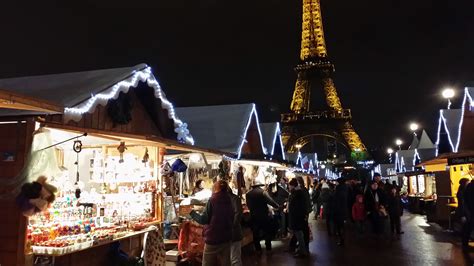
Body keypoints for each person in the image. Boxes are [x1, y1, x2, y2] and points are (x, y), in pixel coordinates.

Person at [190, 180, 234, 266]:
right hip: (226, 236)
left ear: (216, 188)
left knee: (207, 263)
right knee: (226, 263)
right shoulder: (229, 199)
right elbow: (232, 216)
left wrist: (192, 213)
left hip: (213, 237)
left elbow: (204, 220)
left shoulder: (213, 200)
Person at [246, 179, 279, 252]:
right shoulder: (263, 192)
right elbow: (271, 201)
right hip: (263, 215)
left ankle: (258, 249)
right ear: (260, 186)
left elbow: (248, 205)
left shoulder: (248, 194)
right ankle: (268, 247)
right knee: (267, 231)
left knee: (255, 233)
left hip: (254, 216)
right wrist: (277, 206)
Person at [287, 178, 309, 258]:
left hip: (297, 217)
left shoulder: (297, 194)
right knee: (298, 234)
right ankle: (301, 250)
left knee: (299, 234)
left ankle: (303, 252)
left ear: (292, 186)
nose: (288, 187)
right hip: (298, 217)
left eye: (289, 186)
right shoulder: (297, 193)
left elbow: (298, 207)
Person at [229, 188, 243, 266]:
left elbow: (238, 213)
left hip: (233, 232)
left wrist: (233, 226)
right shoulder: (224, 199)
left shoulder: (234, 199)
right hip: (227, 233)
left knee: (235, 258)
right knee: (232, 258)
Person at [333, 178, 349, 246]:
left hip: (338, 210)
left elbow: (336, 200)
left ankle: (341, 240)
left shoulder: (338, 189)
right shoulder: (346, 188)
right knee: (342, 225)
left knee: (339, 226)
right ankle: (342, 239)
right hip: (344, 209)